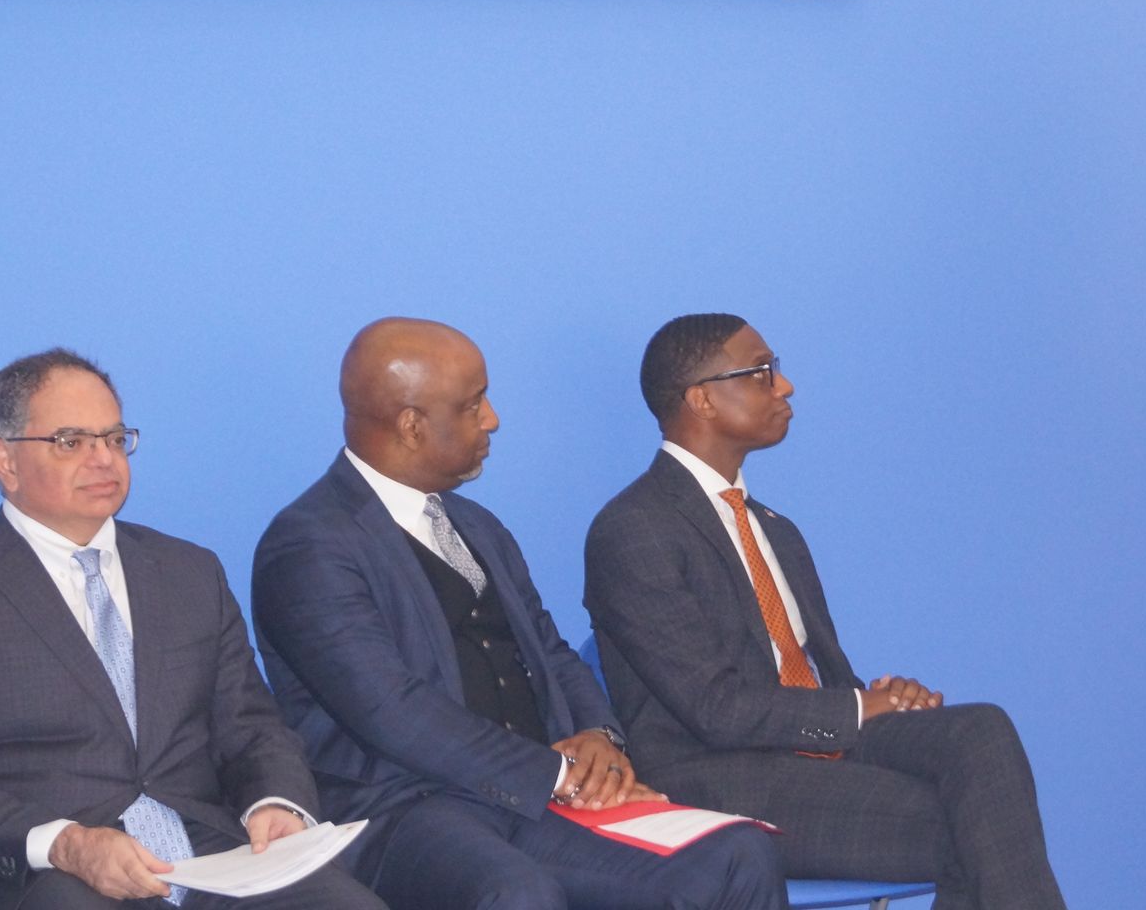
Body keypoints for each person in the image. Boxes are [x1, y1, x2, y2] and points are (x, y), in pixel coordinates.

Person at [249, 317, 784, 910]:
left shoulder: (478, 526)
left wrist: (600, 739)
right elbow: (390, 709)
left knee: (737, 854)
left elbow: (551, 651)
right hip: (405, 809)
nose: (493, 419)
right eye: (472, 404)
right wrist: (555, 775)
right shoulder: (308, 545)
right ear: (411, 425)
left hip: (530, 799)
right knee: (519, 893)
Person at [0, 348, 383, 910]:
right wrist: (64, 843)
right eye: (71, 442)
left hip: (205, 854)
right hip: (35, 876)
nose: (103, 459)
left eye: (114, 439)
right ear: (5, 461)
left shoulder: (189, 572)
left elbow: (252, 727)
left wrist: (274, 802)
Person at [584, 313, 1066, 910]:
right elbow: (715, 709)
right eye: (761, 372)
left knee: (981, 731)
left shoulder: (776, 530)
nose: (784, 386)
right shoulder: (635, 529)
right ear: (702, 399)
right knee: (979, 826)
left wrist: (878, 698)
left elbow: (820, 680)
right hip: (719, 776)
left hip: (818, 754)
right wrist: (859, 709)